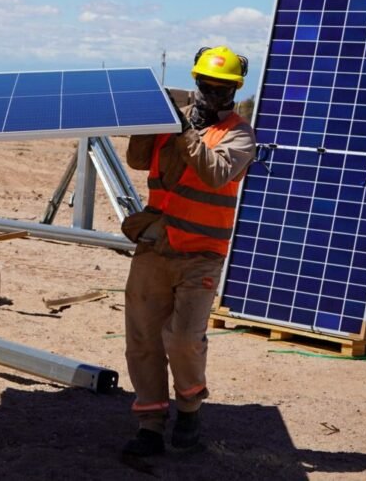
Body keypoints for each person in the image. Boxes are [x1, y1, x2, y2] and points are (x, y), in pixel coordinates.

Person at [120, 45, 256, 457]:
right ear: (195, 82)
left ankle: (190, 407)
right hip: (155, 246)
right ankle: (150, 425)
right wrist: (151, 121)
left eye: (221, 87)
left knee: (183, 340)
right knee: (143, 340)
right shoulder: (173, 123)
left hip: (201, 254)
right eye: (205, 85)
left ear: (234, 89)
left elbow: (214, 173)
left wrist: (185, 132)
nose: (211, 93)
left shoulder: (238, 135)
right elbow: (138, 160)